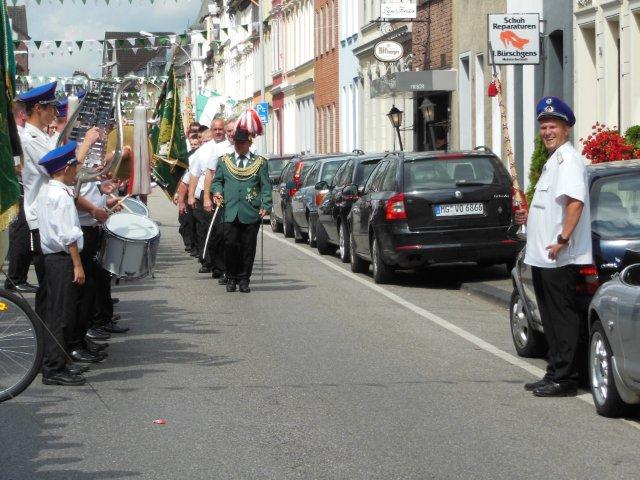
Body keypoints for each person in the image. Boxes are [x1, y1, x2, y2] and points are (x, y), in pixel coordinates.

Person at [515, 96, 592, 398]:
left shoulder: (569, 161)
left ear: (566, 129)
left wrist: (562, 239)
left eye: (553, 127)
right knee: (549, 319)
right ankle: (555, 370)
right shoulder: (553, 161)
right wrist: (527, 215)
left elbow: (575, 203)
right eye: (544, 127)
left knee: (562, 318)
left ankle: (566, 378)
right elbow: (551, 207)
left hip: (560, 257)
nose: (547, 132)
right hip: (544, 257)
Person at [18, 81, 99, 319]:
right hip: (42, 219)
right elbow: (61, 170)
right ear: (38, 109)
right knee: (50, 289)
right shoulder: (29, 139)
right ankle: (49, 344)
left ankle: (61, 340)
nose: (55, 112)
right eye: (51, 107)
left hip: (55, 217)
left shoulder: (44, 137)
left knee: (62, 289)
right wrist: (86, 144)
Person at [36, 142, 87, 386]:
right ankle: (54, 367)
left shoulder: (46, 191)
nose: (76, 171)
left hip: (50, 259)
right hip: (63, 259)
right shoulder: (63, 196)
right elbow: (69, 236)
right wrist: (78, 265)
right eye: (75, 166)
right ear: (66, 168)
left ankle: (56, 360)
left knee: (54, 311)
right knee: (61, 314)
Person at [212, 109, 271, 293]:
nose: (239, 145)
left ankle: (244, 279)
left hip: (250, 210)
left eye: (242, 142)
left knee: (247, 247)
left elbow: (266, 186)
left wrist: (266, 204)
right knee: (230, 245)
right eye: (236, 142)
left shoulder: (260, 162)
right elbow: (217, 181)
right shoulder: (224, 161)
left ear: (249, 143)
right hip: (230, 210)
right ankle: (231, 277)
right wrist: (217, 192)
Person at [4, 100, 37, 293]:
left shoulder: (19, 134)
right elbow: (16, 166)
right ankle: (15, 278)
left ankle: (19, 277)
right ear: (23, 115)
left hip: (21, 186)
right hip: (19, 187)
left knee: (23, 231)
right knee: (20, 232)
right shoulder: (17, 135)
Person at [188, 120, 226, 275]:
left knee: (224, 230)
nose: (218, 132)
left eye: (220, 129)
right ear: (211, 130)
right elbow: (194, 174)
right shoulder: (203, 150)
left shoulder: (231, 146)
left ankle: (222, 263)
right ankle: (210, 261)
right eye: (215, 129)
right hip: (208, 193)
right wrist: (191, 196)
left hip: (226, 193)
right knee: (209, 230)